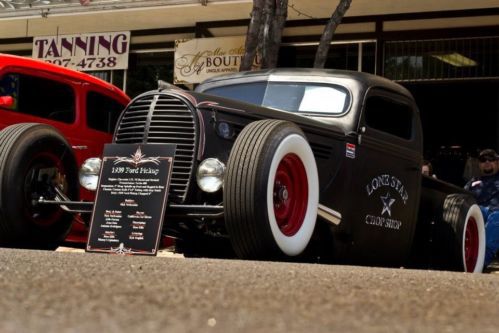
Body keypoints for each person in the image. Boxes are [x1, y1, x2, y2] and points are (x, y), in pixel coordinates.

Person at [464, 148, 499, 268]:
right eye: (483, 160)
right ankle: (464, 257)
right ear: (479, 164)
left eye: (491, 159)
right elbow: (462, 198)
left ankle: (480, 263)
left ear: (497, 162)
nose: (487, 162)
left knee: (496, 218)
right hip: (478, 212)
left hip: (496, 214)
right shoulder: (472, 182)